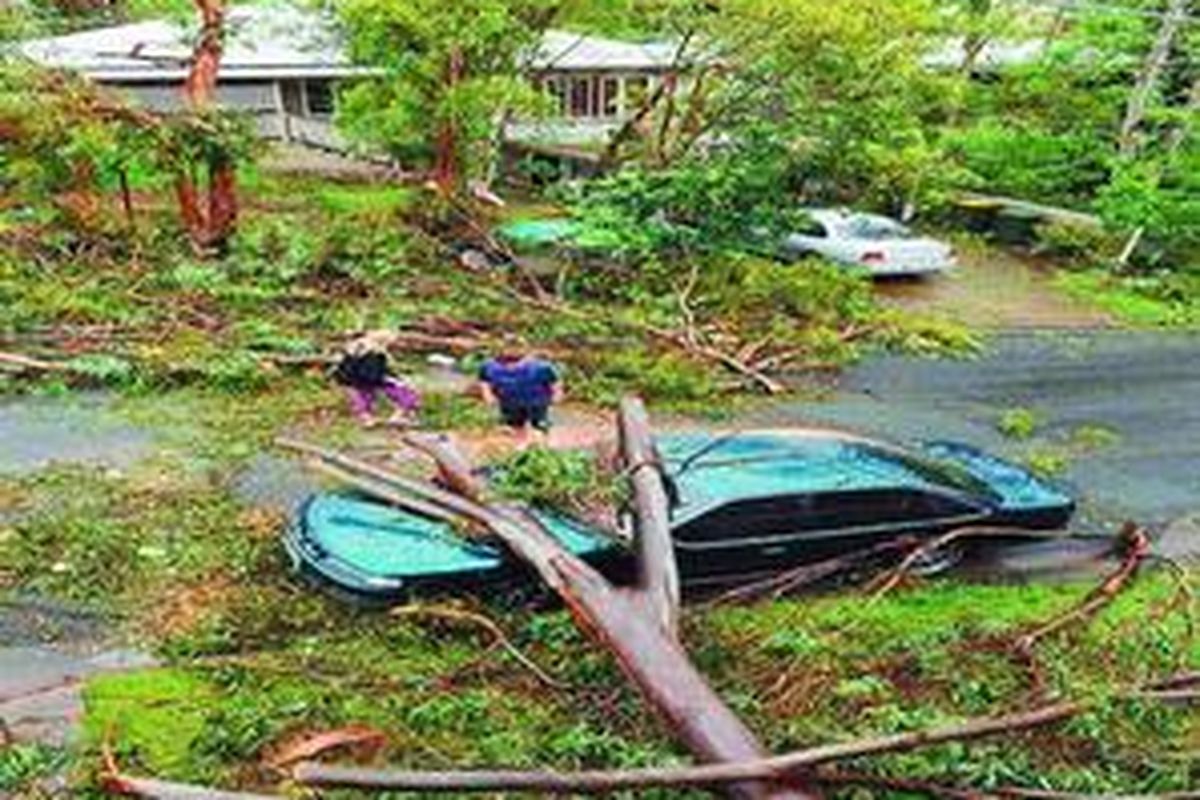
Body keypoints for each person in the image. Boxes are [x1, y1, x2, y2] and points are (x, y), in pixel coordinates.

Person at [332, 330, 420, 427]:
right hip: (371, 378)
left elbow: (345, 368)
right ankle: (398, 415)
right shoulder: (375, 351)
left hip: (355, 379)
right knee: (407, 393)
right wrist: (397, 379)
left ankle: (367, 418)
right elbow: (378, 371)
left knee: (363, 397)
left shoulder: (353, 348)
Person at [477, 348, 561, 440]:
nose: (511, 367)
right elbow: (484, 379)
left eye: (516, 364)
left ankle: (540, 447)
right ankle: (517, 448)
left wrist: (557, 393)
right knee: (513, 429)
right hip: (509, 402)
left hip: (536, 401)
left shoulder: (541, 367)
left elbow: (554, 380)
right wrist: (487, 394)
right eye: (507, 365)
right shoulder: (490, 367)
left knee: (539, 428)